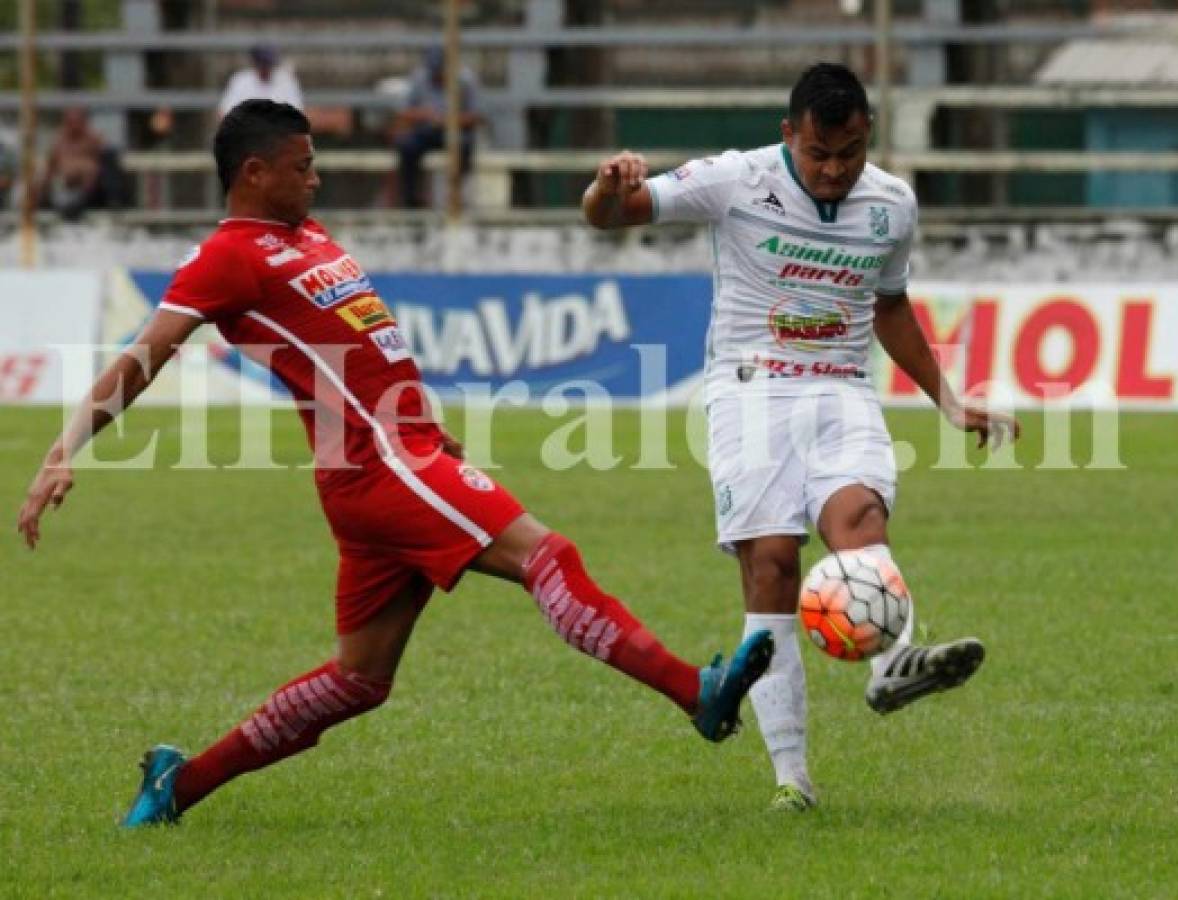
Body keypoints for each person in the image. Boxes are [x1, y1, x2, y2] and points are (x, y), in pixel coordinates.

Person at [15, 100, 774, 827]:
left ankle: (180, 785)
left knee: (358, 680)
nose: (315, 179)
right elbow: (144, 355)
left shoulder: (305, 235)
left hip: (393, 459)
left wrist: (428, 427)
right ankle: (693, 693)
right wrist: (61, 451)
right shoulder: (226, 259)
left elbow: (363, 344)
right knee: (548, 557)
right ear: (253, 172)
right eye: (302, 166)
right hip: (377, 462)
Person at [580, 63, 1020, 812]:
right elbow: (611, 216)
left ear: (866, 137)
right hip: (749, 393)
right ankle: (793, 777)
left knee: (861, 523)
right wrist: (608, 185)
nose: (832, 170)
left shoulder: (890, 204)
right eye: (818, 153)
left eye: (848, 152)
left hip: (842, 391)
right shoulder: (735, 180)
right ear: (789, 134)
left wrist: (948, 402)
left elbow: (889, 307)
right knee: (773, 567)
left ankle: (890, 668)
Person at [394, 47, 482, 208]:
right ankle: (412, 201)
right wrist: (425, 115)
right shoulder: (420, 77)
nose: (437, 76)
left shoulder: (465, 79)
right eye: (434, 72)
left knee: (463, 145)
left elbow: (475, 117)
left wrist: (449, 119)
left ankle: (457, 199)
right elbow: (404, 113)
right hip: (427, 130)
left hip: (456, 132)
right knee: (407, 146)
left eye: (440, 71)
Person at [38, 107, 126, 219]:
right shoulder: (58, 142)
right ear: (65, 122)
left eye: (78, 121)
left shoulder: (93, 139)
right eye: (70, 122)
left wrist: (87, 169)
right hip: (66, 187)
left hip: (91, 189)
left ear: (84, 122)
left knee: (109, 158)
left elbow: (105, 164)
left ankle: (115, 201)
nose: (74, 125)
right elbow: (50, 169)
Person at [218, 44, 304, 117]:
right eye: (263, 64)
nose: (266, 68)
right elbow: (224, 113)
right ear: (255, 63)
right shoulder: (241, 80)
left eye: (268, 64)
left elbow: (297, 113)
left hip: (279, 132)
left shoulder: (286, 80)